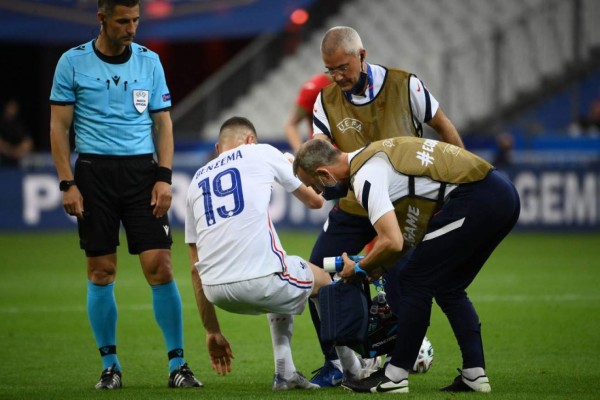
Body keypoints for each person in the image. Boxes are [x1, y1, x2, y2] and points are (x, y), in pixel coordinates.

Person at [49, 0, 201, 390]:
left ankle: (178, 365)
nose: (132, 27)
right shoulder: (72, 62)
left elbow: (163, 124)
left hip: (141, 174)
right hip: (94, 174)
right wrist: (68, 183)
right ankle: (111, 366)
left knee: (160, 267)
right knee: (101, 271)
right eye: (123, 21)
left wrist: (164, 178)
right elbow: (59, 128)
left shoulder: (149, 62)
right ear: (102, 19)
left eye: (136, 20)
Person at [293, 137, 521, 394]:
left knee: (414, 280)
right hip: (498, 193)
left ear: (323, 173)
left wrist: (359, 269)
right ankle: (474, 375)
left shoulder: (365, 176)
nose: (320, 193)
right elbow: (403, 235)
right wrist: (379, 265)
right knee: (449, 287)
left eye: (315, 184)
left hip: (477, 197)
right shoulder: (373, 155)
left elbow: (391, 240)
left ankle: (395, 376)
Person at [306, 25, 465, 387]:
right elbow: (321, 150)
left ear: (362, 56)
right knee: (315, 275)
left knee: (406, 282)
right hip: (354, 203)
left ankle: (399, 363)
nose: (337, 77)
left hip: (405, 207)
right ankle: (336, 363)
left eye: (343, 67)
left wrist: (459, 177)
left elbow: (443, 126)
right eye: (329, 70)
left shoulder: (405, 85)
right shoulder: (325, 100)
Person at [185, 116, 376, 390]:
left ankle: (285, 372)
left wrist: (212, 331)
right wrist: (289, 166)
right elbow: (315, 200)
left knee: (282, 267)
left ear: (218, 148)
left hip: (216, 292)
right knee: (323, 281)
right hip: (259, 280)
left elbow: (194, 267)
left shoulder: (196, 181)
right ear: (251, 140)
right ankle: (353, 368)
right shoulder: (260, 151)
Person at [284, 73, 333, 153]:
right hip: (323, 154)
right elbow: (291, 125)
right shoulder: (314, 88)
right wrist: (301, 154)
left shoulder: (357, 85)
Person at [0, 98, 34, 167]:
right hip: (3, 155)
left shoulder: (19, 124)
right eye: (11, 107)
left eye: (14, 107)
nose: (12, 110)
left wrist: (18, 152)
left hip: (18, 158)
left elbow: (28, 142)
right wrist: (9, 151)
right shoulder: (2, 123)